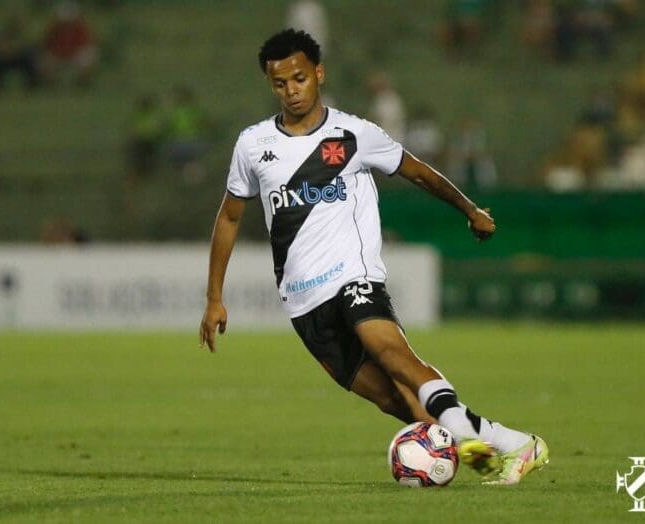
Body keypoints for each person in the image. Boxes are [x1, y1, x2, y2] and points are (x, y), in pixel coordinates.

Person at [199, 29, 548, 485]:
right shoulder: (253, 144)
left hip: (354, 277)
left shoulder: (353, 134)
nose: (292, 90)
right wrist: (213, 297)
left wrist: (469, 209)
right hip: (303, 302)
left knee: (393, 353)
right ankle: (509, 442)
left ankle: (464, 435)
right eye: (280, 83)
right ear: (271, 84)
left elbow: (418, 172)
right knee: (390, 399)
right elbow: (228, 218)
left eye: (300, 78)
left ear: (318, 73)